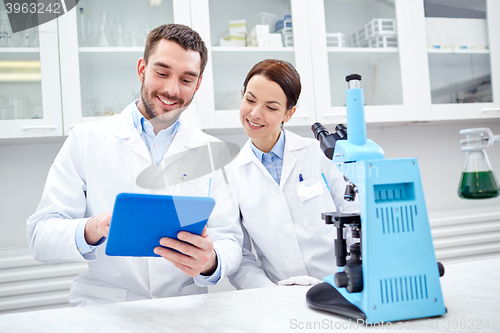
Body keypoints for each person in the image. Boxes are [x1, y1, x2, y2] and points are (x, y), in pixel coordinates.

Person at [27, 24, 242, 306]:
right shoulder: (85, 141)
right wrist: (93, 228)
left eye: (187, 79)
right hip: (106, 308)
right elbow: (40, 236)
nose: (171, 89)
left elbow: (230, 240)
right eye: (161, 73)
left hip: (184, 309)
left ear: (198, 84)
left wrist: (210, 261)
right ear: (142, 68)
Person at [227, 59, 358, 289]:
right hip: (279, 296)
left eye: (271, 107)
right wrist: (271, 293)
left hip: (341, 285)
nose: (255, 113)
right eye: (250, 100)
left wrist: (352, 277)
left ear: (289, 113)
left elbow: (354, 217)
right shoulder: (231, 175)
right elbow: (242, 257)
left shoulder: (320, 155)